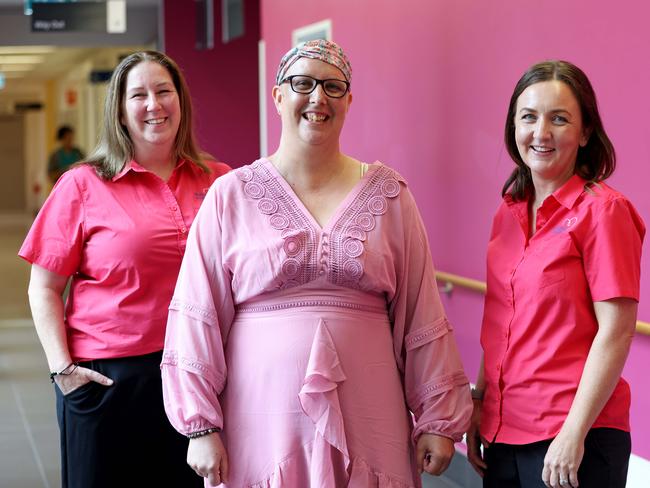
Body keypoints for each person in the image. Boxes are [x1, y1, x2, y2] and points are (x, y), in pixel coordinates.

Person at [161, 39, 473, 488]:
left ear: (348, 100)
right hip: (261, 420)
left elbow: (421, 310)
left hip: (370, 416)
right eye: (302, 83)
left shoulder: (390, 196)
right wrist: (201, 426)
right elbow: (198, 312)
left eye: (332, 86)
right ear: (278, 95)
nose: (317, 98)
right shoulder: (230, 195)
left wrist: (438, 419)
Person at [19, 50, 231, 488]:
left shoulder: (218, 181)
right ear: (119, 108)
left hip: (197, 372)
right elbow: (43, 288)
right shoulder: (83, 183)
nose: (154, 104)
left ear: (181, 101)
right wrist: (64, 371)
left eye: (163, 91)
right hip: (107, 378)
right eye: (139, 95)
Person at [466, 60, 645, 488]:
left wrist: (572, 433)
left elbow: (616, 332)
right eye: (528, 117)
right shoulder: (507, 211)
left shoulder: (603, 211)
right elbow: (501, 323)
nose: (540, 133)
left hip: (573, 438)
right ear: (514, 126)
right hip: (505, 430)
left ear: (585, 133)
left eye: (559, 119)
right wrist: (479, 402)